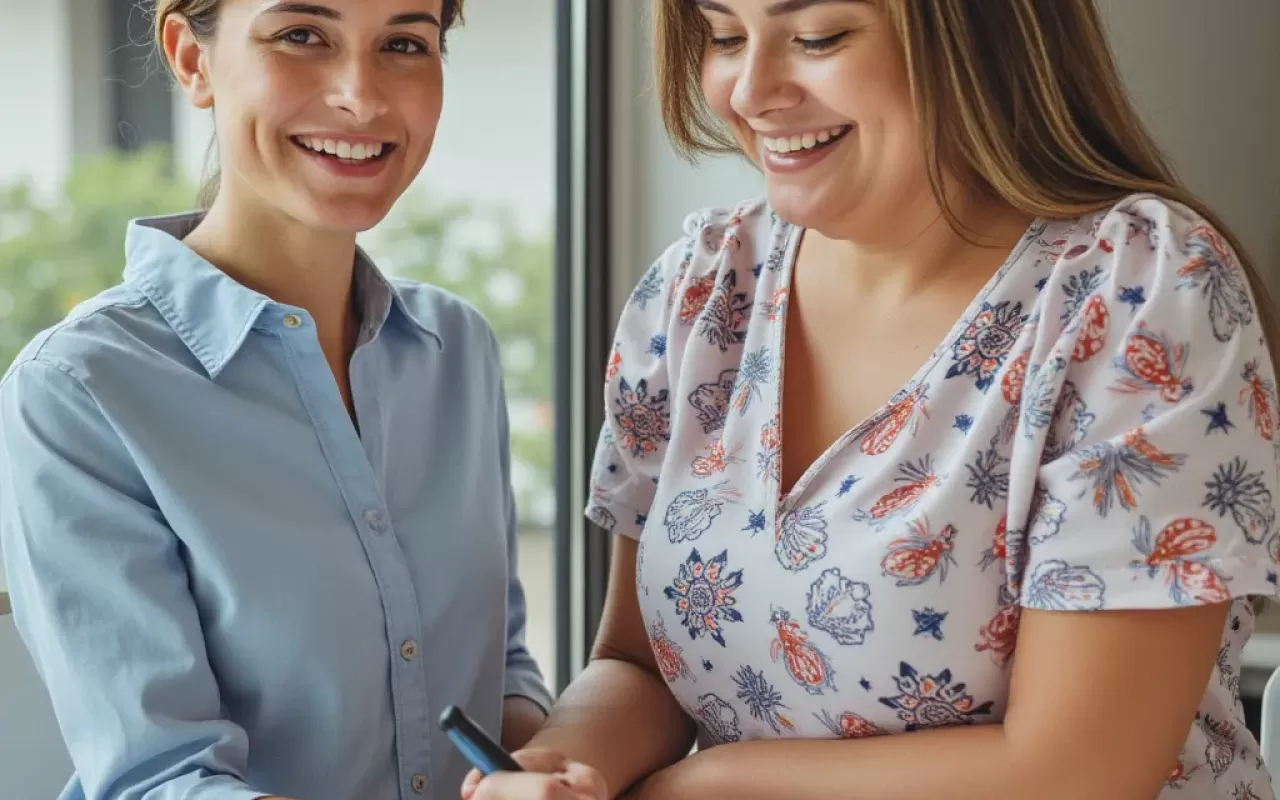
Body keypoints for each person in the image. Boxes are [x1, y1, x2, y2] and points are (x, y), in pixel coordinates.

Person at [463, 0, 1279, 798]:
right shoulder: (702, 289)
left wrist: (704, 785)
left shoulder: (1138, 292)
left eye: (817, 36)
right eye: (722, 36)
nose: (749, 91)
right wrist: (566, 763)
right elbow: (637, 666)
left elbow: (1078, 771)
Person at [0, 1, 551, 799]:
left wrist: (546, 772)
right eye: (302, 36)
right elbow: (159, 779)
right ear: (191, 57)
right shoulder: (80, 395)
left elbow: (498, 678)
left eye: (404, 43)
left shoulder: (455, 351)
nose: (361, 96)